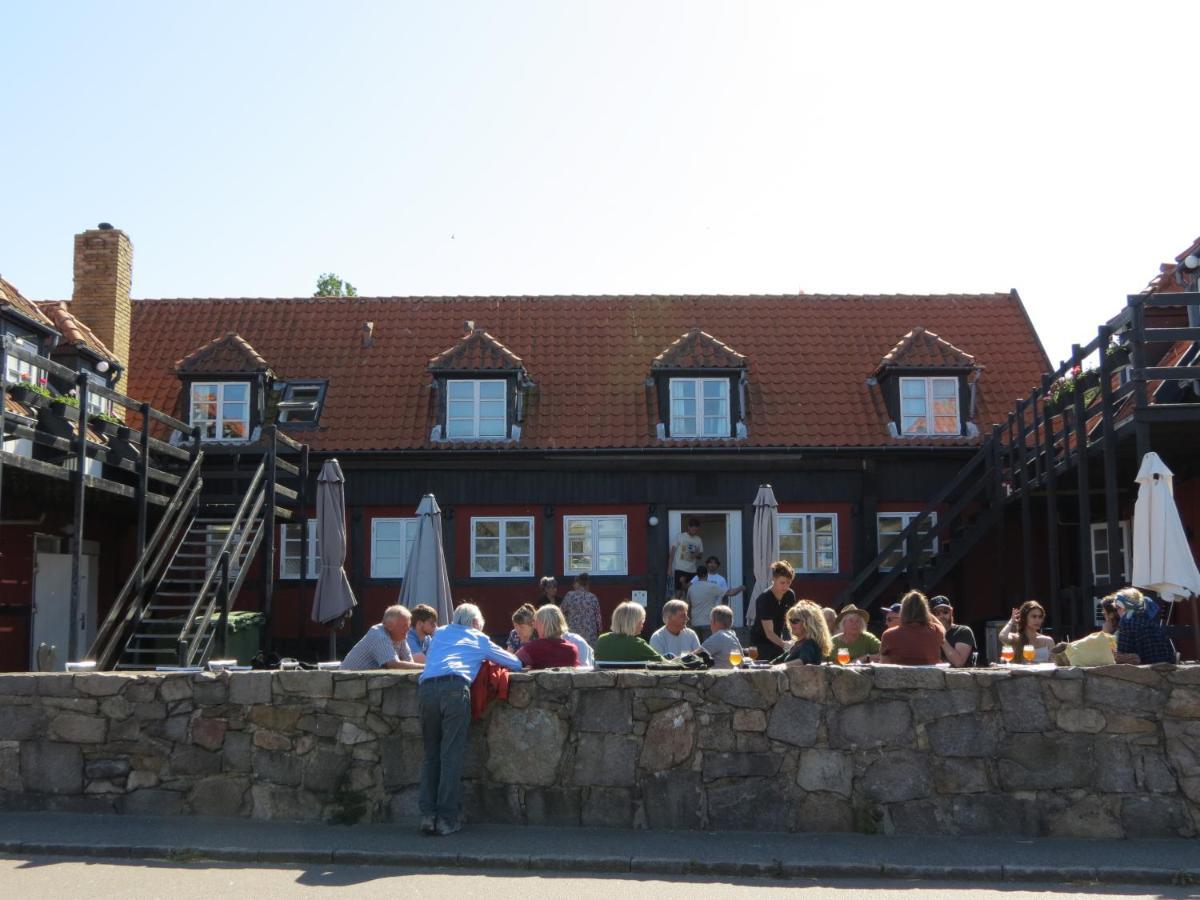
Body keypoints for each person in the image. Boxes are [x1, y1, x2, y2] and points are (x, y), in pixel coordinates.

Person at [418, 603, 522, 836]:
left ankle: (427, 815)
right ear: (476, 623)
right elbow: (514, 663)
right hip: (455, 689)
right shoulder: (478, 638)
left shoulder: (440, 632)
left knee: (431, 754)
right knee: (450, 756)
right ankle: (446, 819)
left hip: (426, 690)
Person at [341, 605, 425, 670]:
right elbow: (392, 664)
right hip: (347, 681)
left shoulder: (400, 636)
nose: (408, 629)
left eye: (408, 626)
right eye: (404, 626)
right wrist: (427, 667)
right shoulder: (379, 635)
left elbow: (409, 662)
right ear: (389, 626)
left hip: (366, 682)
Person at [1109, 587, 1176, 665]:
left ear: (1127, 605)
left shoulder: (1127, 622)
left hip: (1145, 672)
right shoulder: (1150, 621)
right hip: (1167, 669)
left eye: (1118, 608)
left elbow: (1122, 654)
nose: (1117, 612)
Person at [880, 590, 944, 665]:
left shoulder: (889, 634)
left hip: (900, 676)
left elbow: (883, 663)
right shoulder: (937, 631)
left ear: (902, 611)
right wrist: (922, 609)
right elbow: (942, 627)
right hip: (929, 676)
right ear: (925, 610)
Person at [750, 560, 795, 662]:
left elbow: (793, 620)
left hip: (778, 640)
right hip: (760, 643)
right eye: (782, 583)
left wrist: (795, 640)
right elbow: (769, 632)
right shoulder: (764, 599)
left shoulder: (789, 595)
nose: (785, 586)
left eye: (789, 583)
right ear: (774, 579)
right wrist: (785, 644)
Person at [594, 601, 664, 663]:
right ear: (633, 623)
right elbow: (664, 663)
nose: (642, 625)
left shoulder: (601, 640)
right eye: (642, 621)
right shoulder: (638, 644)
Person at [515, 605, 580, 669]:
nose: (534, 626)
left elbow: (511, 662)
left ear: (544, 624)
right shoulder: (572, 649)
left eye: (536, 622)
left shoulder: (532, 648)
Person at [774, 600, 832, 665]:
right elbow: (777, 660)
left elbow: (804, 660)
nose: (791, 624)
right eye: (790, 620)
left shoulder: (810, 643)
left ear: (807, 623)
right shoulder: (797, 644)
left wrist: (783, 666)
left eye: (795, 621)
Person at [930, 596, 976, 667]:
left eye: (945, 612)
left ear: (951, 612)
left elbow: (958, 663)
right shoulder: (928, 634)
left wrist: (941, 636)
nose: (942, 616)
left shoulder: (963, 631)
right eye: (937, 613)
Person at [560, 573, 602, 645]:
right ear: (587, 584)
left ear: (578, 583)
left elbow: (560, 613)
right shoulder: (593, 597)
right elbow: (598, 619)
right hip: (590, 635)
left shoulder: (569, 596)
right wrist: (599, 632)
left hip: (573, 635)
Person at [666, 517, 704, 598]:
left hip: (692, 570)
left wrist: (696, 555)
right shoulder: (680, 536)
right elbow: (672, 553)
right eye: (693, 529)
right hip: (680, 568)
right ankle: (676, 608)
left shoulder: (698, 539)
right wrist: (669, 568)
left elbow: (700, 555)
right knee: (678, 592)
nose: (694, 532)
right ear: (688, 527)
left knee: (691, 592)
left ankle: (688, 610)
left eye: (696, 530)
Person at [686, 567, 725, 641]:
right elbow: (729, 593)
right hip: (708, 622)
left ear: (697, 576)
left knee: (697, 647)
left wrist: (688, 621)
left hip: (695, 622)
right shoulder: (712, 586)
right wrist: (740, 588)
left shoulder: (691, 588)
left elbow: (688, 605)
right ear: (707, 575)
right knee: (709, 648)